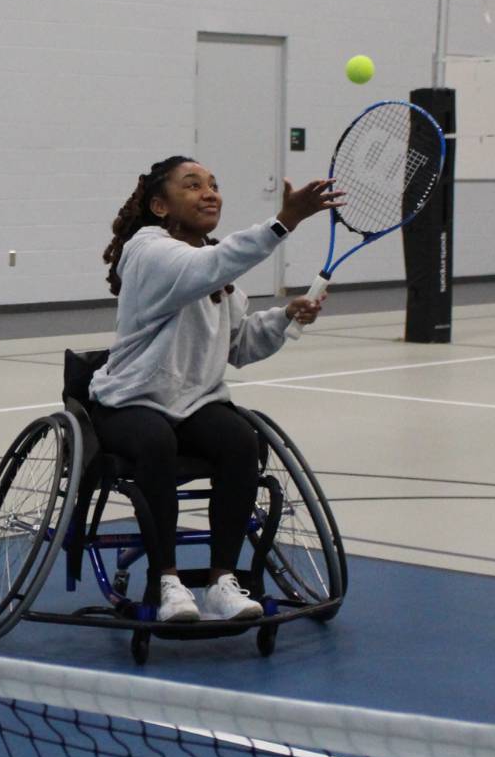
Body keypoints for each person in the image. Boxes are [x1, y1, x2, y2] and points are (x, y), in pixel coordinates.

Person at [90, 155, 341, 623]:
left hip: (192, 404)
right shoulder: (147, 252)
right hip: (130, 401)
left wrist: (284, 316)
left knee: (241, 441)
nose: (210, 193)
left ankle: (221, 582)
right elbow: (210, 265)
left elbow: (239, 345)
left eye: (214, 184)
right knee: (155, 442)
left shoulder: (215, 270)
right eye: (192, 185)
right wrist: (285, 220)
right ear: (160, 207)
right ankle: (167, 584)